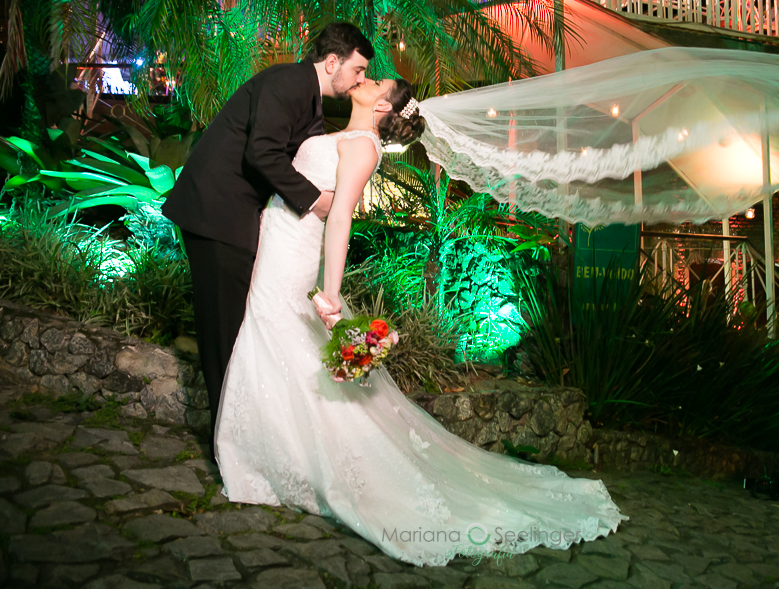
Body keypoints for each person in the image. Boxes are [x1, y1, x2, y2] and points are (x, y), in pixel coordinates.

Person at [214, 78, 627, 566]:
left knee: (279, 333)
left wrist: (332, 290)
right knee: (277, 338)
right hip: (281, 238)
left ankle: (286, 462)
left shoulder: (363, 146)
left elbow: (342, 216)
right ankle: (277, 456)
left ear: (382, 104)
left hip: (295, 251)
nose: (366, 79)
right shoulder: (343, 134)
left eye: (376, 81)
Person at [161, 23, 373, 453]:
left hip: (233, 216)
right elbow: (262, 152)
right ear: (332, 62)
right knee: (223, 335)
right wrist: (316, 200)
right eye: (358, 69)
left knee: (235, 332)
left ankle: (240, 438)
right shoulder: (289, 83)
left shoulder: (307, 96)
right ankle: (228, 448)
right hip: (217, 213)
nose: (360, 79)